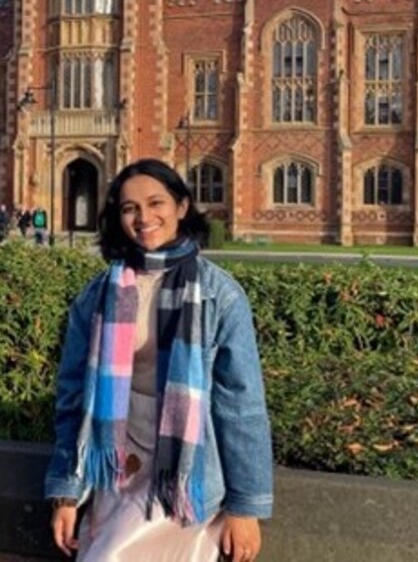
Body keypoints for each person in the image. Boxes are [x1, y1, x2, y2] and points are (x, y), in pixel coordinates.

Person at [46, 158, 272, 561]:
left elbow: (241, 405)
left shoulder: (219, 294)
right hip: (117, 461)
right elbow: (73, 395)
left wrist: (246, 506)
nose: (144, 217)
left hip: (188, 467)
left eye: (156, 203)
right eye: (130, 208)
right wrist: (66, 492)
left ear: (181, 207)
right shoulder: (99, 293)